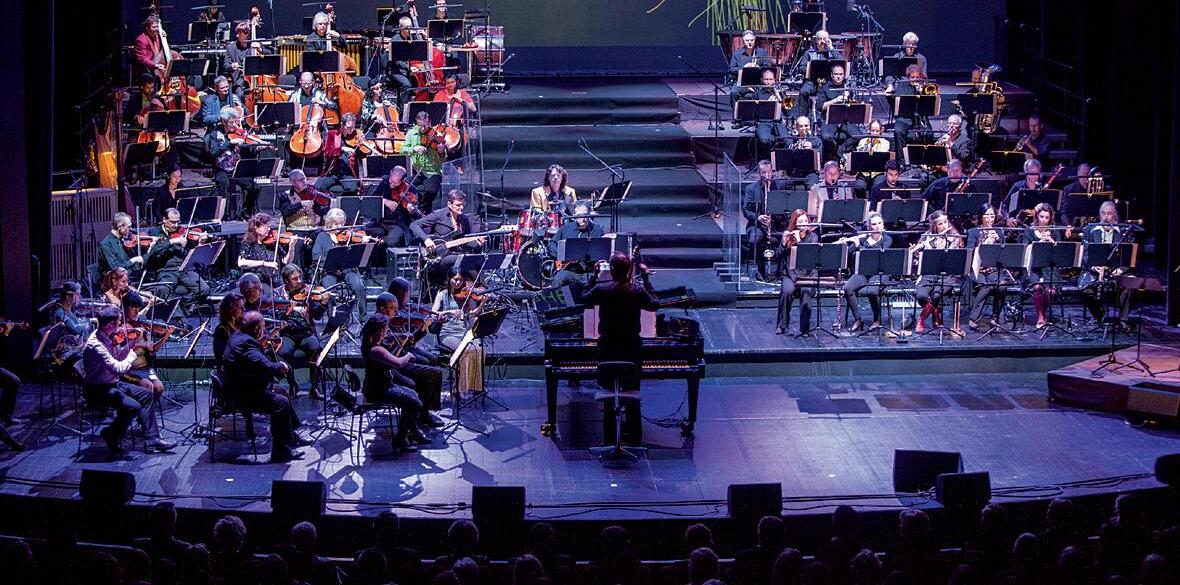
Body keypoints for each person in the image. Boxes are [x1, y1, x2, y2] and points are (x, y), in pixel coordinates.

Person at [81, 307, 175, 455]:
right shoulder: (97, 345)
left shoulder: (107, 335)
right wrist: (132, 355)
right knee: (133, 407)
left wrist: (131, 343)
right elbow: (118, 368)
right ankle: (111, 433)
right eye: (119, 322)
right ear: (110, 324)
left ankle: (152, 439)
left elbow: (118, 355)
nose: (120, 325)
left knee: (147, 394)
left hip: (112, 383)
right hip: (98, 389)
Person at [221, 311, 310, 463]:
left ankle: (291, 437)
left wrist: (262, 347)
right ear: (257, 328)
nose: (264, 331)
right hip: (243, 395)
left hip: (240, 387)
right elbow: (266, 365)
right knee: (281, 403)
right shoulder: (248, 344)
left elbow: (252, 361)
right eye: (262, 327)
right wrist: (281, 365)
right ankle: (281, 452)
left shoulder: (237, 336)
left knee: (281, 390)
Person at [358, 313, 427, 453]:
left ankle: (411, 432)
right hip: (378, 391)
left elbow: (389, 360)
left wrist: (399, 343)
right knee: (414, 403)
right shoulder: (376, 350)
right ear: (380, 331)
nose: (387, 331)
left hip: (379, 386)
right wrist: (408, 355)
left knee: (413, 393)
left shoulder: (371, 344)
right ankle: (400, 440)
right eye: (386, 329)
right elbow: (398, 363)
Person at [375, 293, 444, 428]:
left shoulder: (388, 321)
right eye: (393, 308)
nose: (397, 312)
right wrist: (405, 352)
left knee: (435, 372)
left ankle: (424, 412)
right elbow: (388, 358)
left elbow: (406, 344)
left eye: (396, 308)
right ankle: (420, 415)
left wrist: (421, 331)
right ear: (383, 309)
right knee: (426, 375)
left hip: (399, 363)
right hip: (390, 370)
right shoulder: (378, 327)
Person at [411, 189, 484, 284]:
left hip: (456, 254)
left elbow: (467, 241)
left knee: (475, 259)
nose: (461, 207)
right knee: (461, 259)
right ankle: (481, 286)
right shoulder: (438, 215)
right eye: (458, 205)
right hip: (439, 257)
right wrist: (426, 240)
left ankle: (477, 287)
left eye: (463, 205)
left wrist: (478, 244)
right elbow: (414, 225)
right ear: (449, 204)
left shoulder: (464, 220)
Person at [1079, 201, 1133, 329]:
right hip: (1095, 269)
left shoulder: (1124, 231)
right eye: (1103, 213)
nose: (1106, 217)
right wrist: (1094, 267)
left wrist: (1120, 270)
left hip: (1116, 269)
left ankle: (1123, 319)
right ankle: (1098, 315)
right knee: (1085, 287)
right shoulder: (1091, 230)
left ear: (1115, 215)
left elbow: (1130, 255)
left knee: (1129, 283)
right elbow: (1085, 253)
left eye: (1109, 213)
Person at [433, 272, 487, 396]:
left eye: (461, 280)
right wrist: (451, 312)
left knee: (479, 349)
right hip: (448, 333)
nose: (458, 283)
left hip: (463, 332)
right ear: (449, 279)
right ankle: (459, 388)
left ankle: (474, 385)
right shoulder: (442, 294)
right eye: (455, 279)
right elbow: (433, 312)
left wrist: (482, 303)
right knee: (465, 350)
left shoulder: (466, 295)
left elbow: (473, 313)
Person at [911, 210, 963, 333]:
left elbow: (954, 260)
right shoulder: (927, 237)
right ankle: (936, 313)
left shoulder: (954, 238)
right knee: (921, 296)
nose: (944, 226)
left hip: (947, 275)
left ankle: (921, 319)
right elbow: (917, 262)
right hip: (929, 274)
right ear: (934, 226)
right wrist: (916, 252)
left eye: (945, 222)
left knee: (936, 294)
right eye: (940, 224)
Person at [146, 208, 212, 305]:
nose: (176, 225)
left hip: (184, 269)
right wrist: (172, 241)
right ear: (164, 220)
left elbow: (191, 254)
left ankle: (185, 307)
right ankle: (173, 310)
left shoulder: (183, 232)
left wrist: (200, 244)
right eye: (173, 222)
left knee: (204, 289)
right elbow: (153, 251)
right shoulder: (154, 232)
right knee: (163, 290)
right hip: (166, 270)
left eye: (178, 222)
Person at [277, 264, 325, 396]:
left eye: (300, 277)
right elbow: (275, 317)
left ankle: (314, 386)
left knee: (316, 348)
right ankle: (293, 384)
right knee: (281, 352)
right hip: (288, 333)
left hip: (305, 333)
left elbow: (317, 315)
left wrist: (323, 303)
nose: (299, 281)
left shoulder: (307, 291)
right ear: (286, 280)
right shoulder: (278, 293)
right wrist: (288, 311)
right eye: (295, 279)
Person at [840, 212, 894, 331]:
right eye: (874, 224)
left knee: (872, 291)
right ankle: (858, 319)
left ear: (883, 225)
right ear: (869, 227)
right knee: (848, 288)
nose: (877, 226)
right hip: (864, 271)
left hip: (880, 272)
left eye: (880, 223)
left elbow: (876, 254)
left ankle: (877, 320)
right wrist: (846, 244)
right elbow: (848, 253)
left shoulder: (887, 239)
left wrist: (859, 246)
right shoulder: (863, 238)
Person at [205, 105, 260, 218]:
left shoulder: (240, 133)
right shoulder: (215, 135)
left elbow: (248, 153)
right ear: (223, 122)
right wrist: (230, 143)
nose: (234, 125)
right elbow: (213, 152)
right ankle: (223, 215)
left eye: (236, 121)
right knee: (224, 183)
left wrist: (256, 148)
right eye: (231, 122)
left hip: (237, 170)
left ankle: (246, 212)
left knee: (255, 187)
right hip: (222, 170)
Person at [313, 209, 369, 320]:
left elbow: (358, 254)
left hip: (347, 270)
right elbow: (316, 256)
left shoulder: (348, 236)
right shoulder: (322, 237)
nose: (339, 227)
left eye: (341, 224)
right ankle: (333, 319)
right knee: (329, 290)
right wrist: (329, 260)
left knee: (359, 286)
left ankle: (364, 318)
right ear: (329, 223)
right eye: (336, 224)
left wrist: (363, 243)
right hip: (329, 272)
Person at [966, 205, 1014, 330]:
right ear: (981, 217)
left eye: (992, 216)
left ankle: (995, 317)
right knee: (986, 285)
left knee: (1002, 286)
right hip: (977, 269)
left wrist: (998, 242)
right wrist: (986, 243)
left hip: (993, 269)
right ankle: (973, 318)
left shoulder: (999, 232)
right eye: (986, 215)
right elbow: (970, 252)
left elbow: (1003, 253)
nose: (989, 219)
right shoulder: (974, 232)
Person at [1021, 202, 1065, 329]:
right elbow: (1025, 250)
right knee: (1037, 287)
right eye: (1041, 217)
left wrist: (1052, 241)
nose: (1044, 220)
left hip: (1049, 267)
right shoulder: (1029, 231)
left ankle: (1042, 312)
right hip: (1033, 267)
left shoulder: (1054, 231)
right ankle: (1040, 316)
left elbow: (1060, 251)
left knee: (1051, 291)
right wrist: (1040, 242)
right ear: (1037, 216)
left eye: (1047, 218)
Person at [776, 210, 819, 335]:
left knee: (806, 292)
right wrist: (784, 243)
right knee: (787, 291)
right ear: (795, 223)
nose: (804, 224)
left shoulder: (813, 237)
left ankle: (804, 328)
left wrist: (799, 241)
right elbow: (778, 256)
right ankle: (783, 324)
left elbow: (809, 256)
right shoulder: (789, 235)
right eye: (800, 222)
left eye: (806, 221)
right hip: (790, 274)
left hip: (807, 274)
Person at [548, 202, 606, 293]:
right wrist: (561, 255)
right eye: (579, 216)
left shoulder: (597, 230)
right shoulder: (567, 228)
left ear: (589, 215)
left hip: (588, 272)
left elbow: (602, 253)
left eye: (585, 215)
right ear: (574, 216)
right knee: (559, 278)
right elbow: (552, 243)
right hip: (569, 271)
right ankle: (557, 301)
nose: (582, 219)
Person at [238, 212, 297, 293]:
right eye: (265, 226)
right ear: (256, 227)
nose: (269, 229)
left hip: (276, 282)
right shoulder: (249, 243)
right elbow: (241, 263)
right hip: (257, 284)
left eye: (269, 226)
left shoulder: (273, 243)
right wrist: (265, 263)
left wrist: (291, 247)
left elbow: (286, 261)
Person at [401, 110, 444, 211]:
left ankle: (423, 209)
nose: (423, 128)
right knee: (404, 187)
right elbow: (402, 150)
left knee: (431, 191)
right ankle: (413, 207)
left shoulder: (437, 135)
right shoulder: (411, 133)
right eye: (420, 125)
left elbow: (443, 157)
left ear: (430, 122)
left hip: (432, 172)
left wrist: (441, 151)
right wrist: (414, 149)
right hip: (418, 172)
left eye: (425, 125)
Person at [815, 64, 857, 161]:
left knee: (857, 136)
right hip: (829, 119)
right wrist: (835, 100)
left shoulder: (848, 87)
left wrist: (849, 99)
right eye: (836, 74)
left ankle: (839, 152)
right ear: (832, 75)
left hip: (846, 120)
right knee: (826, 137)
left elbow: (854, 106)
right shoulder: (825, 87)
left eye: (841, 74)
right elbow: (820, 107)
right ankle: (833, 153)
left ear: (844, 75)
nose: (838, 76)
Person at [727, 31, 771, 120]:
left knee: (767, 92)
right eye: (747, 40)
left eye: (751, 40)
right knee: (733, 93)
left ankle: (763, 118)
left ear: (755, 40)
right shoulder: (737, 54)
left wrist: (758, 68)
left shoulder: (762, 52)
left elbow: (768, 67)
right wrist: (744, 68)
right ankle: (736, 118)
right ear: (743, 41)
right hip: (742, 82)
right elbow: (731, 69)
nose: (749, 42)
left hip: (759, 82)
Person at [888, 64, 926, 159]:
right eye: (912, 77)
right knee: (898, 131)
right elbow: (899, 102)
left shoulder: (924, 86)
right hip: (904, 118)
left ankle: (921, 159)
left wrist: (921, 92)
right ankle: (901, 160)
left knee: (929, 133)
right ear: (908, 77)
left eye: (917, 77)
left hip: (920, 118)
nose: (915, 79)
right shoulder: (902, 86)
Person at [223, 22, 268, 101]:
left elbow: (269, 56)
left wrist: (260, 50)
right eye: (237, 33)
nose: (237, 35)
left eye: (240, 33)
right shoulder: (231, 48)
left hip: (257, 79)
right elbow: (226, 65)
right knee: (239, 94)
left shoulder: (255, 44)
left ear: (247, 34)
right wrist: (232, 65)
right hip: (240, 81)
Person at [98, 212, 144, 277]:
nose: (130, 229)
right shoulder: (106, 244)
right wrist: (133, 260)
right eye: (128, 226)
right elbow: (115, 269)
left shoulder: (122, 240)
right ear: (120, 226)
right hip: (116, 281)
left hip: (129, 276)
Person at [133, 15, 178, 82]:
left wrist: (164, 37)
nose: (156, 29)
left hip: (156, 66)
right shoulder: (141, 40)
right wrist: (155, 65)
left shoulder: (157, 36)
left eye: (157, 27)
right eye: (154, 27)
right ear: (147, 28)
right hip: (146, 68)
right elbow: (143, 59)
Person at [213, 291, 244, 371]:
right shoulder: (222, 330)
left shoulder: (240, 327)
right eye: (240, 306)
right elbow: (223, 356)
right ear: (230, 309)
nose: (243, 309)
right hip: (229, 371)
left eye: (243, 306)